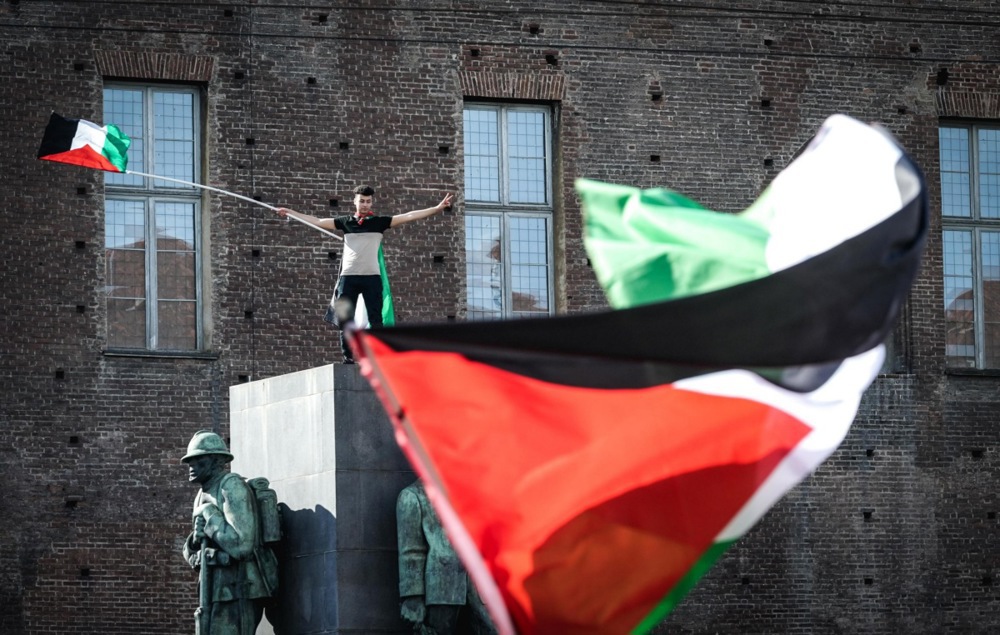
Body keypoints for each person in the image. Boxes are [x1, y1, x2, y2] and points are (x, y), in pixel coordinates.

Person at [277, 185, 453, 363]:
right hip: (348, 278)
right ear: (355, 201)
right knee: (345, 320)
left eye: (368, 201)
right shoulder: (345, 222)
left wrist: (437, 209)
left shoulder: (380, 222)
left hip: (372, 278)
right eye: (361, 201)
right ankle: (348, 358)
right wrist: (291, 212)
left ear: (372, 202)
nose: (365, 204)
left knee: (376, 321)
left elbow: (409, 216)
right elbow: (318, 221)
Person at [181, 430, 273, 635]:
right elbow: (193, 547)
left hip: (239, 587)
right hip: (215, 588)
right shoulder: (203, 493)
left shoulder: (231, 487)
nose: (191, 465)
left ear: (216, 461)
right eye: (189, 461)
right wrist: (194, 546)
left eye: (198, 459)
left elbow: (242, 546)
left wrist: (209, 513)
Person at [396, 479, 496, 635]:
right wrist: (412, 597)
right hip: (440, 590)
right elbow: (411, 551)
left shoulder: (476, 492)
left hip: (479, 584)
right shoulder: (412, 496)